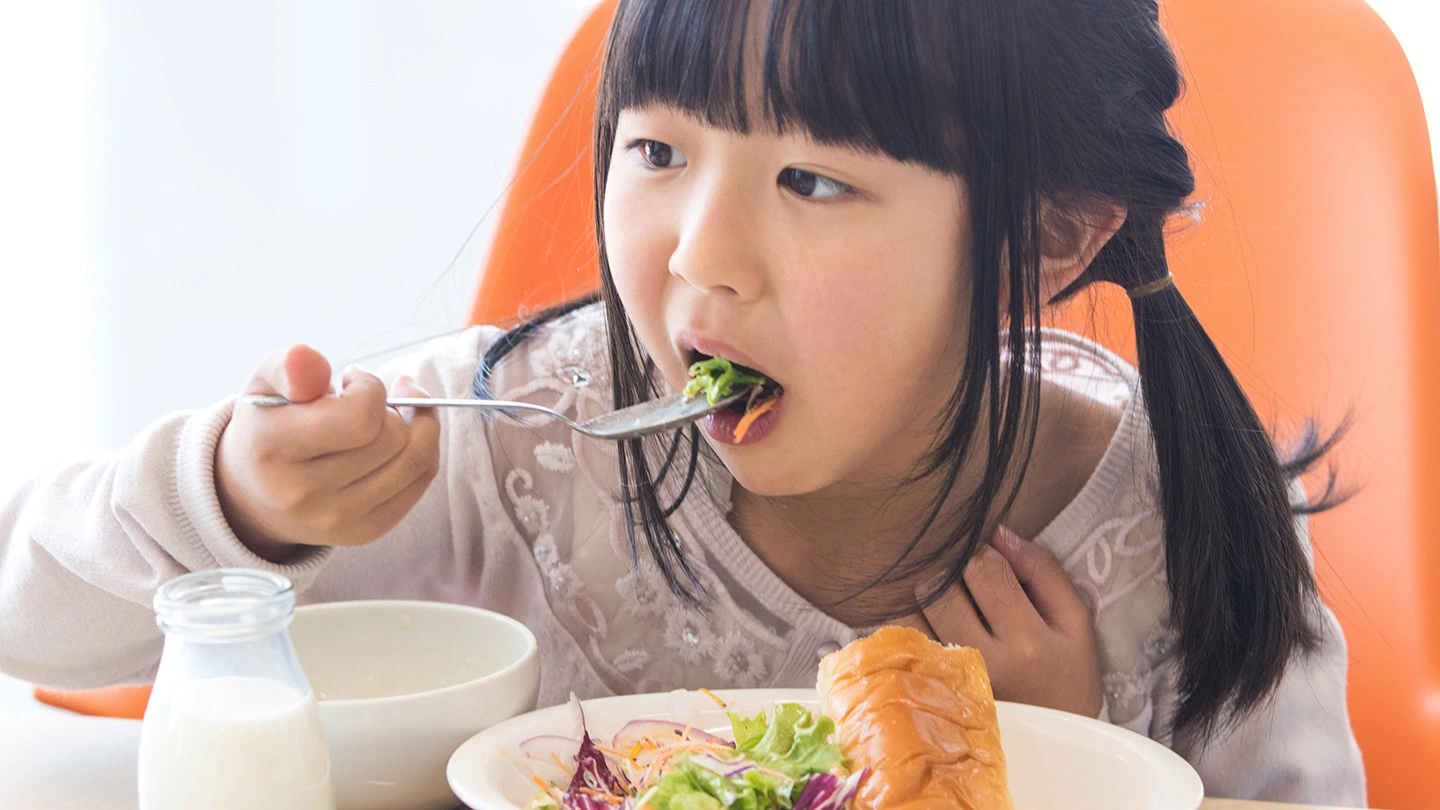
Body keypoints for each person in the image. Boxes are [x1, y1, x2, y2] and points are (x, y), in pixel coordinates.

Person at [0, 0, 1365, 803]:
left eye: (813, 182)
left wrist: (1061, 765)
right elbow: (33, 617)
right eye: (657, 149)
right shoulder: (520, 443)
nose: (700, 255)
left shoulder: (1172, 536)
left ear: (1049, 241)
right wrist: (239, 505)